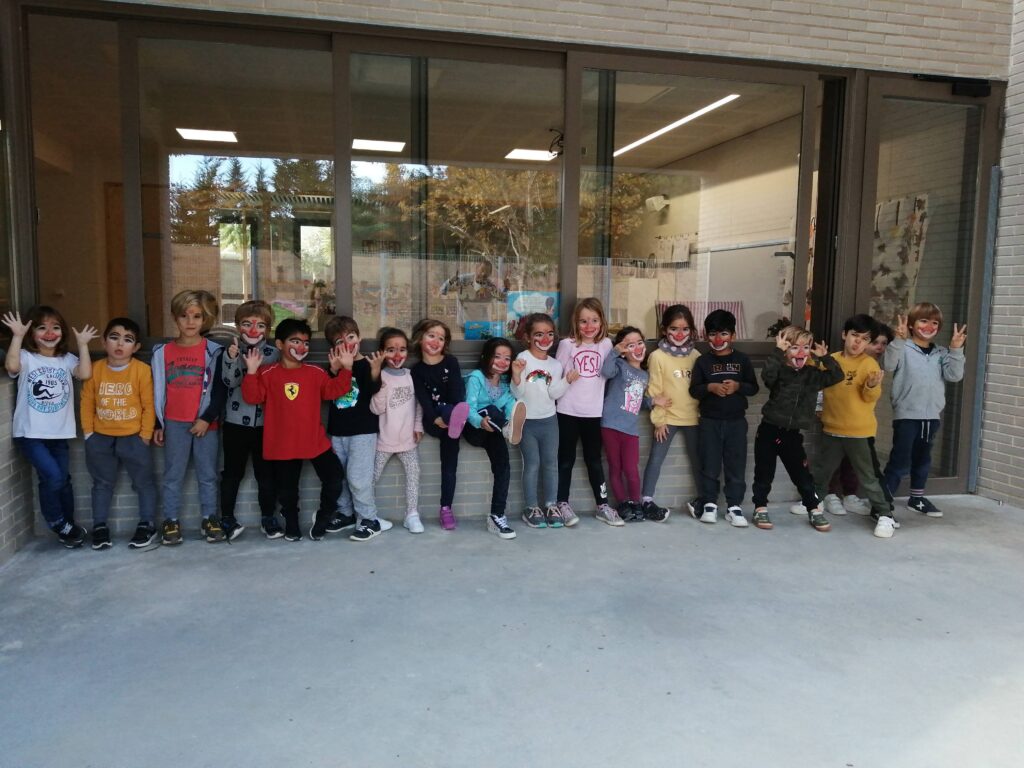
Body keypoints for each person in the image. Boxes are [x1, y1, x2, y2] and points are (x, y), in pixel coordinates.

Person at [241, 318, 353, 542]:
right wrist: (251, 372)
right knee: (287, 490)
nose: (302, 347)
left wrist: (347, 368)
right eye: (295, 341)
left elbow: (334, 390)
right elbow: (252, 397)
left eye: (306, 342)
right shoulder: (267, 372)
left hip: (314, 441)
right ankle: (291, 523)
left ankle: (323, 518)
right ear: (280, 344)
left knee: (334, 477)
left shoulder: (315, 372)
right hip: (283, 443)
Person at [3, 306, 97, 548]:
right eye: (42, 328)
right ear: (32, 333)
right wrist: (17, 336)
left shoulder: (66, 360)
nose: (49, 333)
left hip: (59, 433)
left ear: (62, 332)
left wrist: (83, 345)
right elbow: (12, 366)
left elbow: (85, 373)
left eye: (55, 327)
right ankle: (58, 523)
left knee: (63, 480)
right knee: (53, 478)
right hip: (30, 433)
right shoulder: (26, 357)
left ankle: (69, 526)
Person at [810, 314, 899, 538]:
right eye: (854, 335)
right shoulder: (831, 359)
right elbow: (814, 382)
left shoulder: (869, 364)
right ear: (844, 335)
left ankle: (885, 515)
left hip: (858, 432)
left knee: (867, 476)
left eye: (865, 339)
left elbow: (870, 398)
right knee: (823, 471)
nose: (858, 342)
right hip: (832, 428)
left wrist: (871, 386)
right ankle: (812, 502)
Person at [151, 289, 228, 545]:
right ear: (175, 317)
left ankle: (209, 518)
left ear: (204, 319)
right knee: (173, 474)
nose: (190, 322)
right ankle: (171, 520)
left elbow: (219, 390)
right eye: (184, 316)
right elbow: (158, 390)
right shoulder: (162, 352)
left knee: (208, 474)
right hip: (174, 422)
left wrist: (207, 418)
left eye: (196, 316)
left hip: (206, 423)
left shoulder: (214, 351)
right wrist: (158, 423)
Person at [750, 325, 843, 531]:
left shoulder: (813, 374)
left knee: (802, 475)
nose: (801, 352)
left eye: (806, 347)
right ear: (786, 351)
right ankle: (760, 508)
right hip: (769, 430)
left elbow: (837, 376)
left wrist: (825, 358)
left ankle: (814, 509)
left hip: (792, 435)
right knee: (764, 473)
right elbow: (768, 376)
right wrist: (777, 351)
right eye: (794, 348)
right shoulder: (779, 371)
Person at [882, 302, 967, 518]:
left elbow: (954, 376)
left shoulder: (941, 353)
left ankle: (917, 499)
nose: (929, 326)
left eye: (934, 323)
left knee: (922, 459)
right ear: (911, 324)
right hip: (907, 416)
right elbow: (888, 365)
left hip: (931, 417)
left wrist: (956, 349)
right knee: (900, 460)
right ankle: (882, 503)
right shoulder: (903, 349)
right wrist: (898, 340)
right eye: (923, 321)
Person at [80, 317, 159, 550]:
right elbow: (86, 402)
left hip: (134, 437)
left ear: (136, 347)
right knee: (102, 483)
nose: (120, 343)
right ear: (104, 342)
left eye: (127, 339)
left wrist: (145, 435)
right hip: (100, 437)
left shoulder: (142, 370)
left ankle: (147, 524)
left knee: (144, 482)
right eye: (114, 337)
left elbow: (148, 405)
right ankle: (100, 526)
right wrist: (88, 433)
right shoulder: (95, 369)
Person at [689, 309, 759, 528]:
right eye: (712, 334)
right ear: (706, 336)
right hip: (709, 421)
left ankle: (734, 506)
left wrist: (738, 386)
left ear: (733, 336)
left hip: (736, 422)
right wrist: (710, 387)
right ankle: (710, 503)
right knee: (709, 463)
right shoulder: (702, 361)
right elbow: (694, 390)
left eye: (723, 334)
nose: (718, 339)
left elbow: (753, 388)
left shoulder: (742, 360)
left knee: (736, 464)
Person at [324, 315, 391, 542]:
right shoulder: (333, 366)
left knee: (358, 477)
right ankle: (346, 514)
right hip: (338, 432)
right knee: (339, 475)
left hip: (363, 432)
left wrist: (375, 370)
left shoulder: (366, 364)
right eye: (340, 342)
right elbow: (328, 392)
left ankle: (369, 519)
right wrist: (334, 372)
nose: (347, 344)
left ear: (359, 338)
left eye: (351, 337)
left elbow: (372, 390)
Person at [219, 300, 280, 540]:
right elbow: (230, 381)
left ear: (268, 329)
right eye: (247, 324)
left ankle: (268, 517)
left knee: (266, 474)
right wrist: (232, 358)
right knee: (232, 473)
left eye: (260, 325)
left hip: (266, 425)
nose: (253, 330)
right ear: (237, 326)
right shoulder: (231, 351)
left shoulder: (274, 354)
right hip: (235, 424)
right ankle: (227, 517)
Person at [554, 297, 615, 526]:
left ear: (602, 321)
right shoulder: (567, 345)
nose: (589, 326)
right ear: (575, 322)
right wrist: (566, 380)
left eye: (594, 320)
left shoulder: (606, 345)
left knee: (594, 460)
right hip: (567, 411)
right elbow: (556, 375)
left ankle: (603, 505)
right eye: (583, 321)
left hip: (593, 412)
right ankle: (562, 503)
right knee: (565, 460)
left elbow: (611, 373)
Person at [600, 326, 669, 525]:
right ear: (623, 350)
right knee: (615, 467)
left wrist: (653, 401)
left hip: (630, 429)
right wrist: (615, 351)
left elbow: (637, 401)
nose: (637, 348)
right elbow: (605, 371)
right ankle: (623, 504)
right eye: (630, 345)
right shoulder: (619, 365)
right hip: (610, 424)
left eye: (640, 343)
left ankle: (635, 503)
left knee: (631, 469)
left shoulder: (645, 375)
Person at [641, 304, 701, 521]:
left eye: (685, 329)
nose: (679, 334)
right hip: (667, 418)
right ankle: (646, 500)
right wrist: (659, 420)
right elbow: (654, 390)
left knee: (699, 460)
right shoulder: (657, 356)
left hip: (694, 418)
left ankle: (704, 499)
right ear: (664, 329)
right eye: (674, 329)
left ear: (691, 331)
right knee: (656, 458)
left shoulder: (696, 356)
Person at [463, 337, 527, 539]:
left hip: (494, 429)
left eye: (507, 358)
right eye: (497, 356)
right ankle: (507, 427)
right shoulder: (476, 378)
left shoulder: (506, 383)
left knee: (503, 466)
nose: (502, 361)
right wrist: (479, 421)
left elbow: (509, 403)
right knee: (491, 409)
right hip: (474, 428)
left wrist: (511, 412)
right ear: (486, 357)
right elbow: (469, 407)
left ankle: (497, 516)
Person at [511, 312, 569, 529]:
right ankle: (531, 507)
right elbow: (517, 393)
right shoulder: (523, 358)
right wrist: (516, 375)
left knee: (551, 463)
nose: (545, 339)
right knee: (532, 464)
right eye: (539, 334)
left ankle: (551, 505)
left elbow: (553, 393)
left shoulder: (555, 365)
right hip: (527, 422)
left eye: (550, 334)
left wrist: (567, 381)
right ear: (528, 337)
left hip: (549, 421)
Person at [411, 319, 469, 531]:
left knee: (449, 467)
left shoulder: (450, 362)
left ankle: (446, 508)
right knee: (446, 411)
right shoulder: (417, 370)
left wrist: (451, 414)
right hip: (433, 420)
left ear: (446, 343)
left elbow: (456, 392)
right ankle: (454, 419)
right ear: (420, 338)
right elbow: (423, 399)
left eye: (441, 338)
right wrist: (436, 418)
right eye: (431, 335)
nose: (436, 341)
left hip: (452, 418)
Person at [371, 328, 424, 533]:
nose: (397, 355)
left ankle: (412, 514)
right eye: (391, 350)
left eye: (402, 349)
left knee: (414, 474)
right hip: (384, 441)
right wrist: (381, 386)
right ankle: (367, 515)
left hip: (408, 440)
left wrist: (418, 426)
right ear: (382, 352)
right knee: (371, 477)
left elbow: (418, 405)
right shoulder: (381, 376)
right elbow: (376, 409)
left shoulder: (411, 376)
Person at [439, 257, 507, 328]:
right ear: (477, 268)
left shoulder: (490, 286)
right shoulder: (463, 279)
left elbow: (503, 299)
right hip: (464, 324)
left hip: (481, 324)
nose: (483, 274)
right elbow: (443, 290)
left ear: (490, 274)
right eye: (482, 270)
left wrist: (505, 289)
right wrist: (450, 281)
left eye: (487, 273)